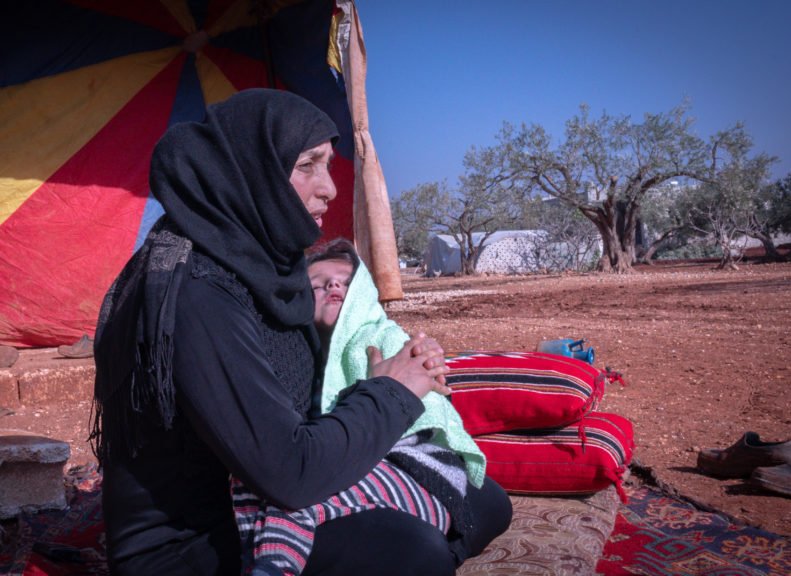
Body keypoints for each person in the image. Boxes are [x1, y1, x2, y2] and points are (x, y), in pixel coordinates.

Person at [91, 88, 508, 576]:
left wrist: (372, 373)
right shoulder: (197, 290)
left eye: (328, 165)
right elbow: (289, 473)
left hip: (263, 491)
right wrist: (390, 393)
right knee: (414, 552)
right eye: (308, 165)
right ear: (251, 170)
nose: (329, 187)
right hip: (194, 544)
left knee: (483, 500)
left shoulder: (259, 264)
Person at [232, 238, 507, 576]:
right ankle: (276, 563)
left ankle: (434, 540)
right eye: (316, 285)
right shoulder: (285, 351)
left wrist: (424, 371)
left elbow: (432, 406)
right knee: (418, 549)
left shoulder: (380, 339)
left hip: (402, 456)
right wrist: (378, 389)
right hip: (329, 463)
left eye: (346, 282)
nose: (333, 285)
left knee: (493, 502)